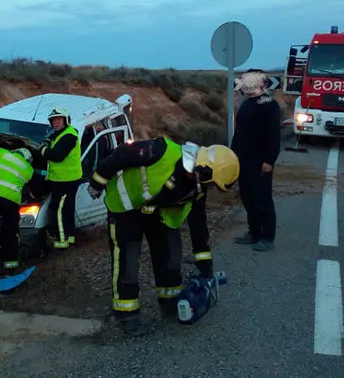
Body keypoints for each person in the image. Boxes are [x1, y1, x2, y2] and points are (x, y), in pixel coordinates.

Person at [86, 136, 240, 336]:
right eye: (211, 184)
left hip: (155, 212)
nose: (210, 188)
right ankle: (127, 315)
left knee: (169, 252)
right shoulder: (162, 151)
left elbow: (198, 225)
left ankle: (170, 302)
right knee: (129, 260)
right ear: (203, 169)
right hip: (125, 209)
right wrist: (98, 182)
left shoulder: (198, 187)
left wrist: (205, 262)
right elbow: (123, 153)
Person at [231, 69, 282, 251]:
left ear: (258, 84)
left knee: (262, 198)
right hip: (243, 159)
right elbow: (240, 131)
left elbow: (273, 136)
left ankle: (267, 236)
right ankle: (254, 232)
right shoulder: (248, 104)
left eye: (246, 81)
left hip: (260, 160)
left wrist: (269, 160)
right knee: (247, 196)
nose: (243, 84)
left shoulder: (269, 105)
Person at [0, 130, 36, 270]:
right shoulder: (29, 170)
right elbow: (33, 188)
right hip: (10, 202)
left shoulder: (2, 154)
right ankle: (10, 267)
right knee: (9, 234)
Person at [39, 107, 83, 249]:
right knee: (67, 210)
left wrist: (43, 149)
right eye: (53, 120)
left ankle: (61, 242)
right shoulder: (60, 134)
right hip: (63, 179)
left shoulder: (69, 136)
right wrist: (48, 139)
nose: (55, 122)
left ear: (65, 120)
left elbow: (57, 156)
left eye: (58, 119)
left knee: (59, 211)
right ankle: (70, 239)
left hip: (66, 181)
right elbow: (53, 139)